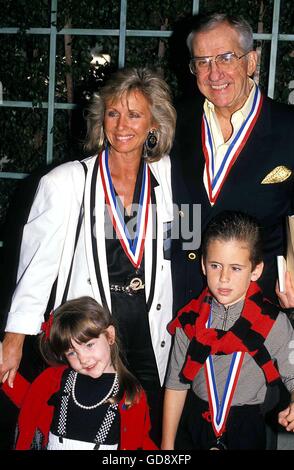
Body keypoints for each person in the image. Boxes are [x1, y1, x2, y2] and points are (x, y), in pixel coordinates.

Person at [0, 67, 176, 444]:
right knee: (88, 431)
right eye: (113, 113)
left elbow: (180, 249)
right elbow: (36, 268)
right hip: (92, 337)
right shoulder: (64, 183)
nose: (122, 124)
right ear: (101, 120)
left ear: (154, 125)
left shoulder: (169, 178)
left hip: (151, 333)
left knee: (142, 431)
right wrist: (13, 340)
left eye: (134, 114)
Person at [171, 12, 294, 312]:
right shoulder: (172, 121)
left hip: (260, 304)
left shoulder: (289, 127)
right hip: (182, 301)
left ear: (251, 62)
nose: (214, 74)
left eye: (226, 58)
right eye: (203, 62)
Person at [162, 211, 294, 450]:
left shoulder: (272, 322)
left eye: (235, 268)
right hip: (194, 424)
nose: (223, 278)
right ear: (203, 265)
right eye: (215, 265)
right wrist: (167, 445)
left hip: (247, 427)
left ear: (255, 270)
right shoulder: (189, 321)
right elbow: (175, 384)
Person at [2, 296, 157, 450]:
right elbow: (29, 402)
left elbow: (140, 442)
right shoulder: (55, 379)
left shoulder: (131, 393)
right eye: (72, 353)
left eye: (89, 345)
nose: (83, 359)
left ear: (110, 335)